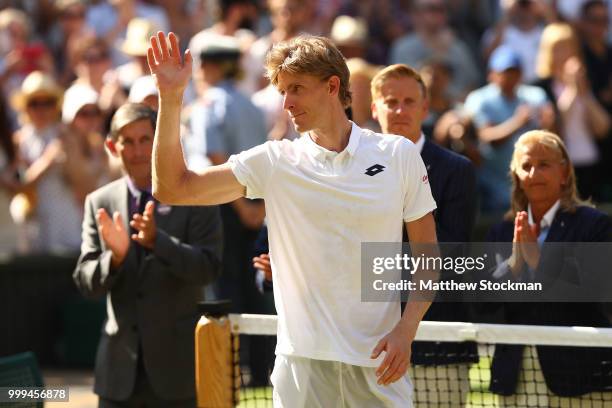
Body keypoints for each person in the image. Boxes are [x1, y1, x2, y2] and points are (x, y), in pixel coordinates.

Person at [149, 32, 438, 406]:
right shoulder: (274, 161)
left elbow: (428, 257)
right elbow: (173, 188)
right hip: (300, 369)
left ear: (333, 86)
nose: (286, 103)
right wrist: (170, 99)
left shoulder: (398, 154)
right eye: (282, 90)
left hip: (380, 365)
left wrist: (406, 330)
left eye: (297, 88)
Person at [73, 103, 223, 408]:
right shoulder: (98, 202)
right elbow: (86, 282)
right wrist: (113, 259)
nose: (138, 150)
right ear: (112, 147)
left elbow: (208, 268)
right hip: (118, 377)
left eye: (145, 139)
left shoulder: (197, 194)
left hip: (178, 374)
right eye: (128, 141)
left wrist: (159, 242)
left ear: (159, 142)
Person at [370, 63, 477, 407]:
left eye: (409, 101)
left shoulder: (456, 170)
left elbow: (449, 252)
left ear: (425, 108)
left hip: (437, 342)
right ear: (374, 108)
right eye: (390, 101)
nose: (400, 110)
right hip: (368, 340)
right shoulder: (353, 167)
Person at [486, 130, 612, 406]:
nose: (534, 173)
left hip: (580, 376)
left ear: (565, 173)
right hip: (515, 375)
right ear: (516, 176)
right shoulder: (502, 231)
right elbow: (485, 304)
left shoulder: (595, 225)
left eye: (544, 164)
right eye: (526, 166)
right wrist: (514, 265)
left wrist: (539, 264)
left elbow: (596, 293)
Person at [464, 45, 554, 214]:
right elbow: (487, 137)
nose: (510, 77)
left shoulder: (535, 95)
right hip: (493, 183)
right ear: (492, 73)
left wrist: (549, 123)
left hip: (530, 182)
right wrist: (517, 122)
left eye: (514, 71)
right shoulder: (479, 99)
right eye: (505, 71)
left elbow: (551, 136)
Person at [533, 23, 611, 200]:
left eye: (569, 47)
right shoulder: (540, 88)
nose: (565, 54)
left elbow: (603, 128)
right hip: (560, 167)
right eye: (559, 48)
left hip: (592, 164)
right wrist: (572, 89)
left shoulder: (588, 81)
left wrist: (585, 94)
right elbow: (555, 125)